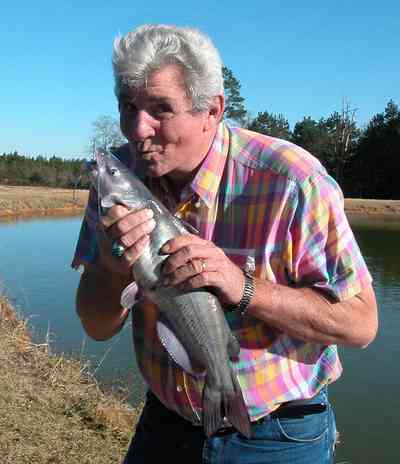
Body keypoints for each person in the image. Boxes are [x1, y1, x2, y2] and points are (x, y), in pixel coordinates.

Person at [72, 24, 378, 464]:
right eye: (127, 106)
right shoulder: (117, 178)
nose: (138, 129)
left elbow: (361, 325)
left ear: (212, 110)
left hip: (279, 435)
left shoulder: (292, 181)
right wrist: (114, 264)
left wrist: (244, 287)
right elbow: (96, 326)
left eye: (161, 108)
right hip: (166, 422)